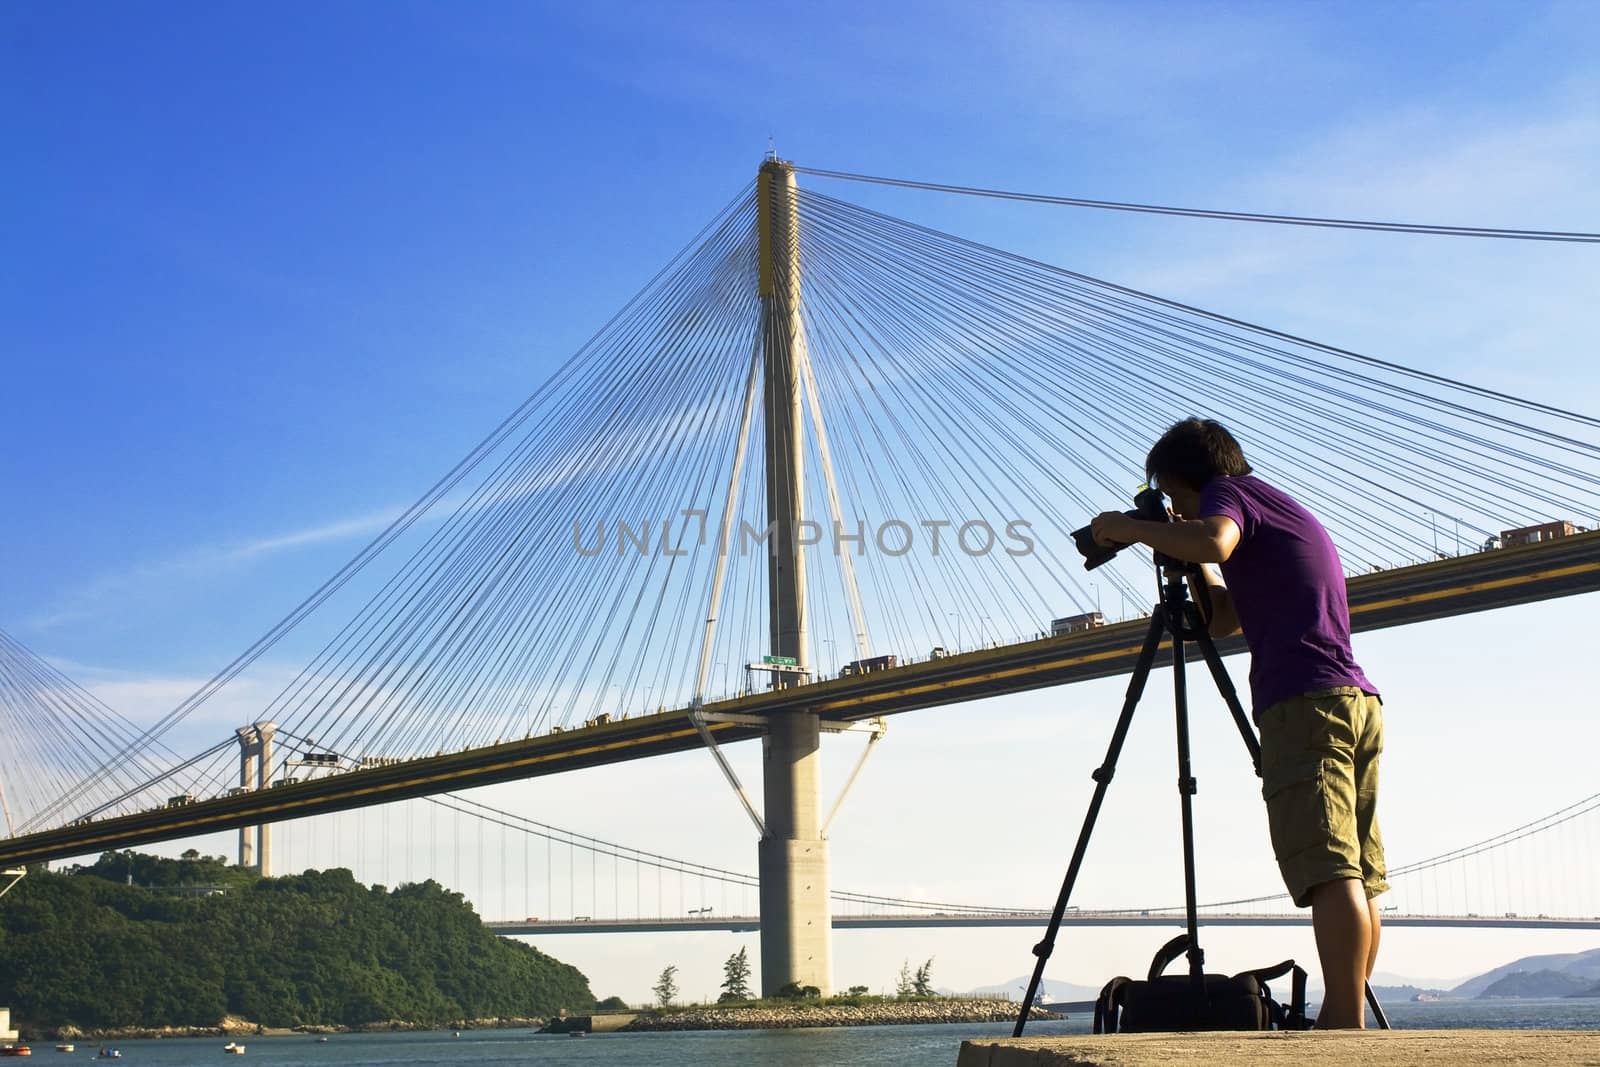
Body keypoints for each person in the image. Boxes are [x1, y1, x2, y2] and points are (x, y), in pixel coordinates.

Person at [1090, 417, 1386, 1029]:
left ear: (1187, 481)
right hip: (1351, 700)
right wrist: (1179, 549)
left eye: (1173, 496)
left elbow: (1216, 539)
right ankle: (1346, 1014)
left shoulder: (1231, 496)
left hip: (1303, 702)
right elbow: (1222, 619)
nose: (1174, 508)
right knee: (1355, 872)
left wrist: (1129, 529)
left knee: (1327, 868)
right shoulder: (1274, 507)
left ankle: (1342, 1024)